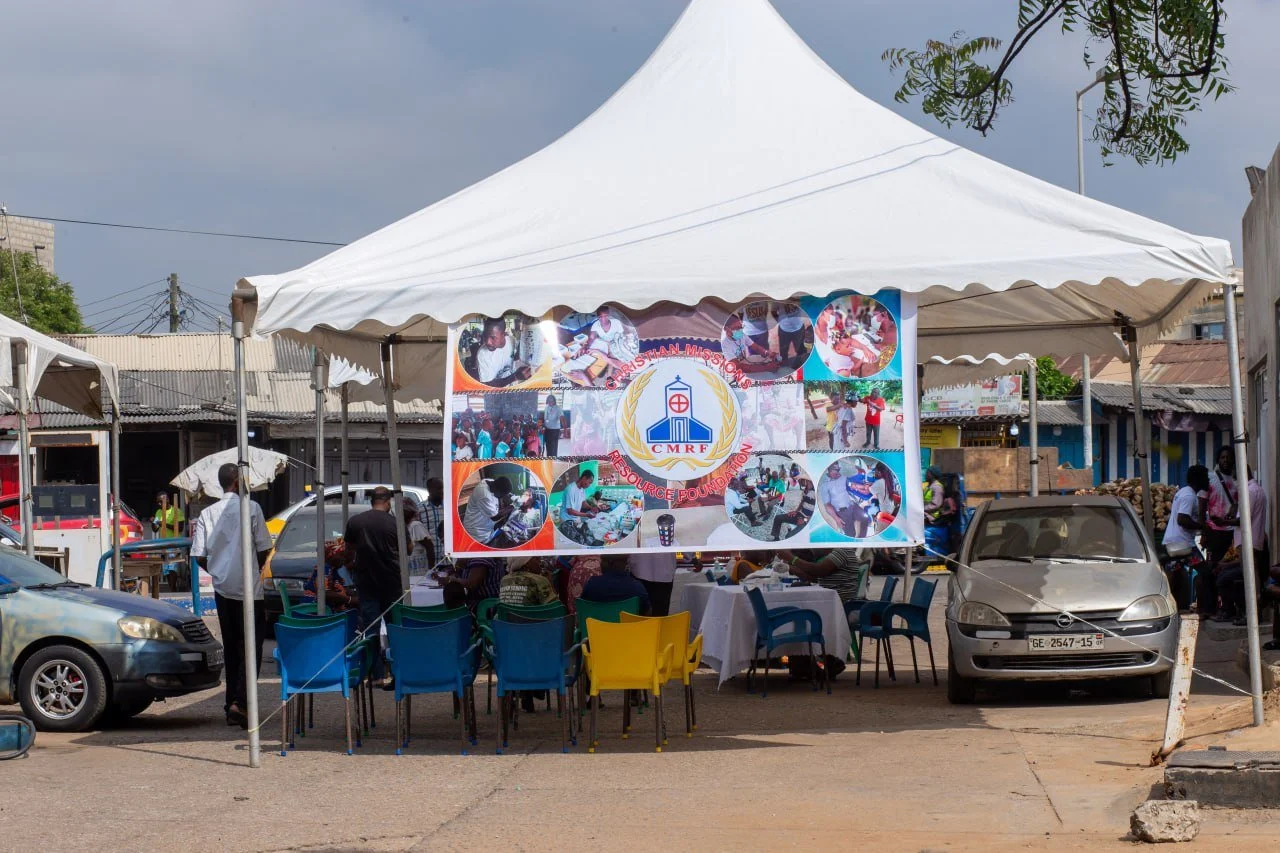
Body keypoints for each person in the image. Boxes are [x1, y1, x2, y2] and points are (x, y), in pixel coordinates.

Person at [190, 463, 272, 729]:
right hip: (249, 589)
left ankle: (231, 705)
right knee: (252, 647)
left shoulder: (207, 513)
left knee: (232, 647)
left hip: (223, 588)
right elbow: (263, 548)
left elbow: (199, 555)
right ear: (237, 482)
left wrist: (218, 571)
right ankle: (241, 703)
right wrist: (251, 566)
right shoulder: (253, 509)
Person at [344, 486, 404, 685]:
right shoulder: (396, 523)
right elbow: (409, 548)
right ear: (388, 502)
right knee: (395, 627)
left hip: (366, 581)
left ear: (372, 501)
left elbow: (349, 549)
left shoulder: (356, 521)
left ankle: (376, 675)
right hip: (392, 582)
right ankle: (398, 672)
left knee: (371, 628)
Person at [1197, 447, 1239, 615]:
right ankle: (1210, 608)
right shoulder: (1210, 479)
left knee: (1227, 570)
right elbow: (1201, 508)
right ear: (1218, 460)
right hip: (1214, 532)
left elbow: (1238, 503)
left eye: (1228, 457)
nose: (1225, 460)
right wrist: (1204, 532)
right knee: (1212, 570)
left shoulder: (1237, 481)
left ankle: (1226, 607)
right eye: (1222, 457)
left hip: (1232, 533)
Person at [778, 547, 869, 603]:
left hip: (839, 603)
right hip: (830, 599)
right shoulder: (837, 553)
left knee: (794, 604)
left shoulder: (842, 551)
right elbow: (814, 578)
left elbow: (818, 570)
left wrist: (791, 558)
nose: (813, 550)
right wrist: (789, 567)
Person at [581, 554, 649, 613]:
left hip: (597, 627)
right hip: (629, 627)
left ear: (609, 563)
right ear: (626, 564)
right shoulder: (637, 588)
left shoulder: (592, 585)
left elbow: (583, 608)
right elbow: (646, 613)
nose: (600, 564)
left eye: (602, 561)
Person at [475, 317, 532, 387]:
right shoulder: (483, 354)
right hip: (496, 394)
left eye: (493, 337)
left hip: (513, 388)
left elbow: (515, 358)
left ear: (503, 334)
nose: (488, 342)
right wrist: (515, 376)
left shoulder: (512, 340)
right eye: (485, 336)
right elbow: (489, 384)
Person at [461, 476, 510, 545]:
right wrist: (513, 506)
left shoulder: (490, 481)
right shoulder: (484, 495)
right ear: (496, 490)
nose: (501, 498)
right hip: (476, 531)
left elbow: (498, 498)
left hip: (484, 526)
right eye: (501, 495)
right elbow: (495, 517)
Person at [629, 552, 677, 616]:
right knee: (660, 615)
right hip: (664, 571)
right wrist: (691, 557)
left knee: (639, 614)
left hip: (639, 570)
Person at [819, 462, 860, 537]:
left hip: (851, 505)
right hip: (842, 512)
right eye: (835, 470)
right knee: (851, 534)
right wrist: (837, 519)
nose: (837, 472)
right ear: (829, 470)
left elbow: (850, 483)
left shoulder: (842, 477)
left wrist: (853, 485)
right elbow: (827, 505)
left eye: (838, 469)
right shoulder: (824, 485)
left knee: (863, 519)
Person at [422, 477, 445, 571]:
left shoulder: (450, 508)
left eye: (443, 488)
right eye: (439, 488)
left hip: (448, 561)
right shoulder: (420, 510)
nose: (442, 491)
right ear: (430, 490)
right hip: (429, 562)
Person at [405, 503, 432, 574]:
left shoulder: (415, 525)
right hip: (410, 569)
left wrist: (431, 570)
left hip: (419, 570)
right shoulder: (404, 526)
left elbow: (430, 547)